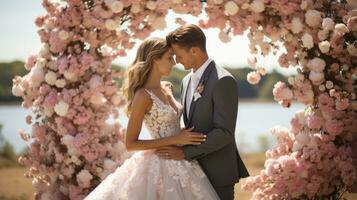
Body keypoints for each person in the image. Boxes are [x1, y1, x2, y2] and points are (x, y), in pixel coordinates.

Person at [84, 38, 220, 200]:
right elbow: (131, 144)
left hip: (181, 159)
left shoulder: (167, 88)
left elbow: (171, 125)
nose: (174, 62)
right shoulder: (143, 95)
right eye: (169, 57)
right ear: (155, 59)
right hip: (158, 164)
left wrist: (182, 135)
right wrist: (177, 138)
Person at [155, 24, 250, 200]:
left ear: (194, 51)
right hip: (190, 173)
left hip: (217, 172)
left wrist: (184, 153)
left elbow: (224, 133)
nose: (176, 61)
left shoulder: (223, 81)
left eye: (178, 55)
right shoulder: (185, 80)